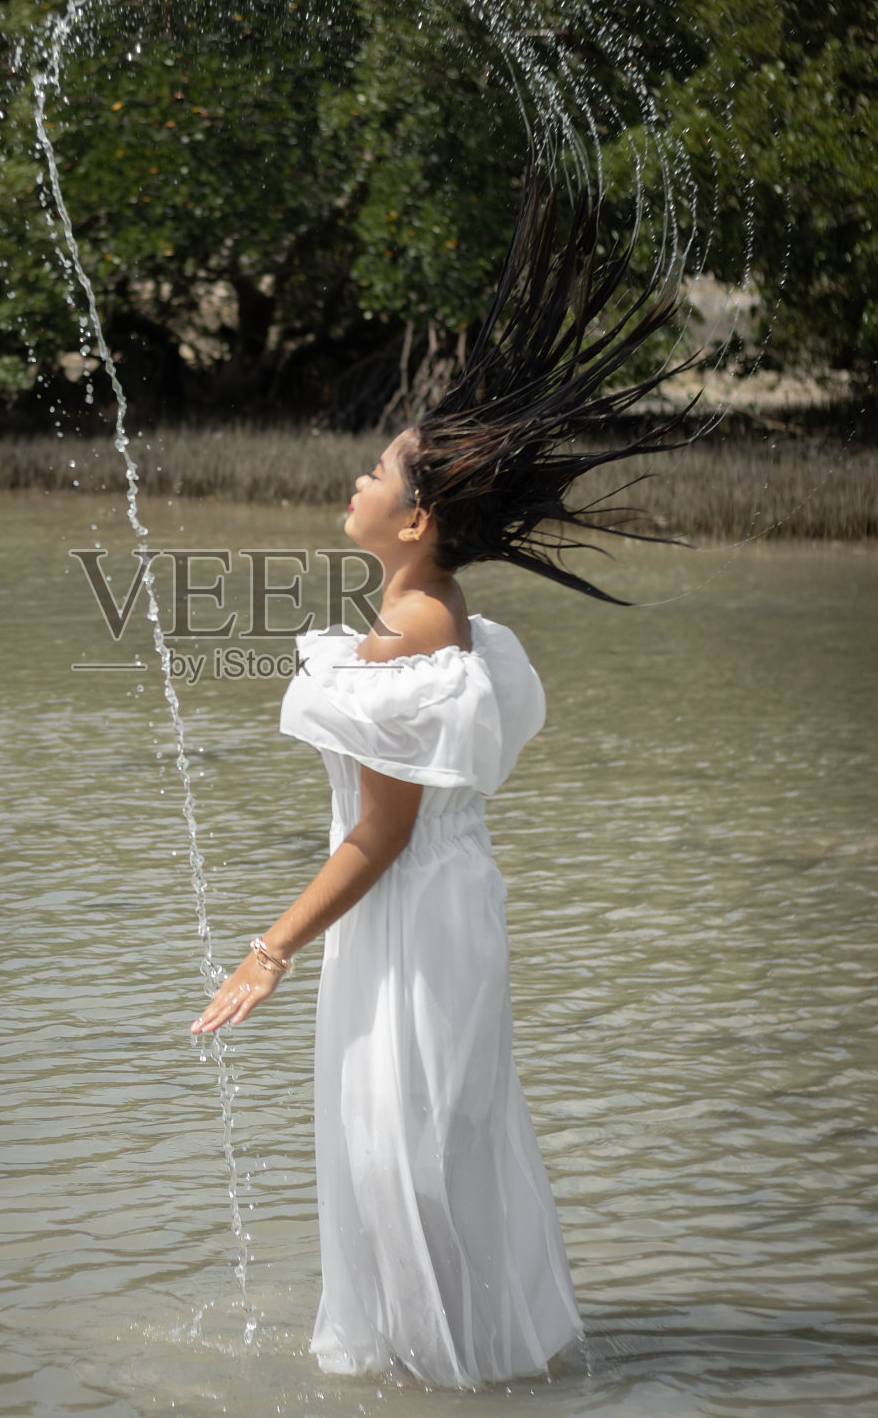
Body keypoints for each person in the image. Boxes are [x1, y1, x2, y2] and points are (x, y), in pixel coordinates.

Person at [192, 173, 694, 1387]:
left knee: (401, 1155)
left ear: (413, 522)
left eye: (377, 471)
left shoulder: (407, 636)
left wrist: (267, 949)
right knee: (425, 1153)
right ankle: (465, 1371)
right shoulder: (432, 612)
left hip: (409, 920)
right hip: (434, 909)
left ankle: (448, 1378)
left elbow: (377, 832)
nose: (357, 480)